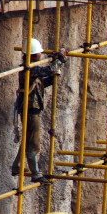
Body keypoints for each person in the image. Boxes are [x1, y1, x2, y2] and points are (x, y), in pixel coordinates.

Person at [12, 38, 67, 184]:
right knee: (33, 144)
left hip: (31, 110)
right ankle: (36, 174)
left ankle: (17, 166)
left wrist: (54, 75)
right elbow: (50, 69)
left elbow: (43, 82)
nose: (40, 56)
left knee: (28, 139)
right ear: (33, 55)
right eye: (38, 54)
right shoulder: (30, 68)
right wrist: (59, 60)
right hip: (31, 111)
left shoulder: (32, 71)